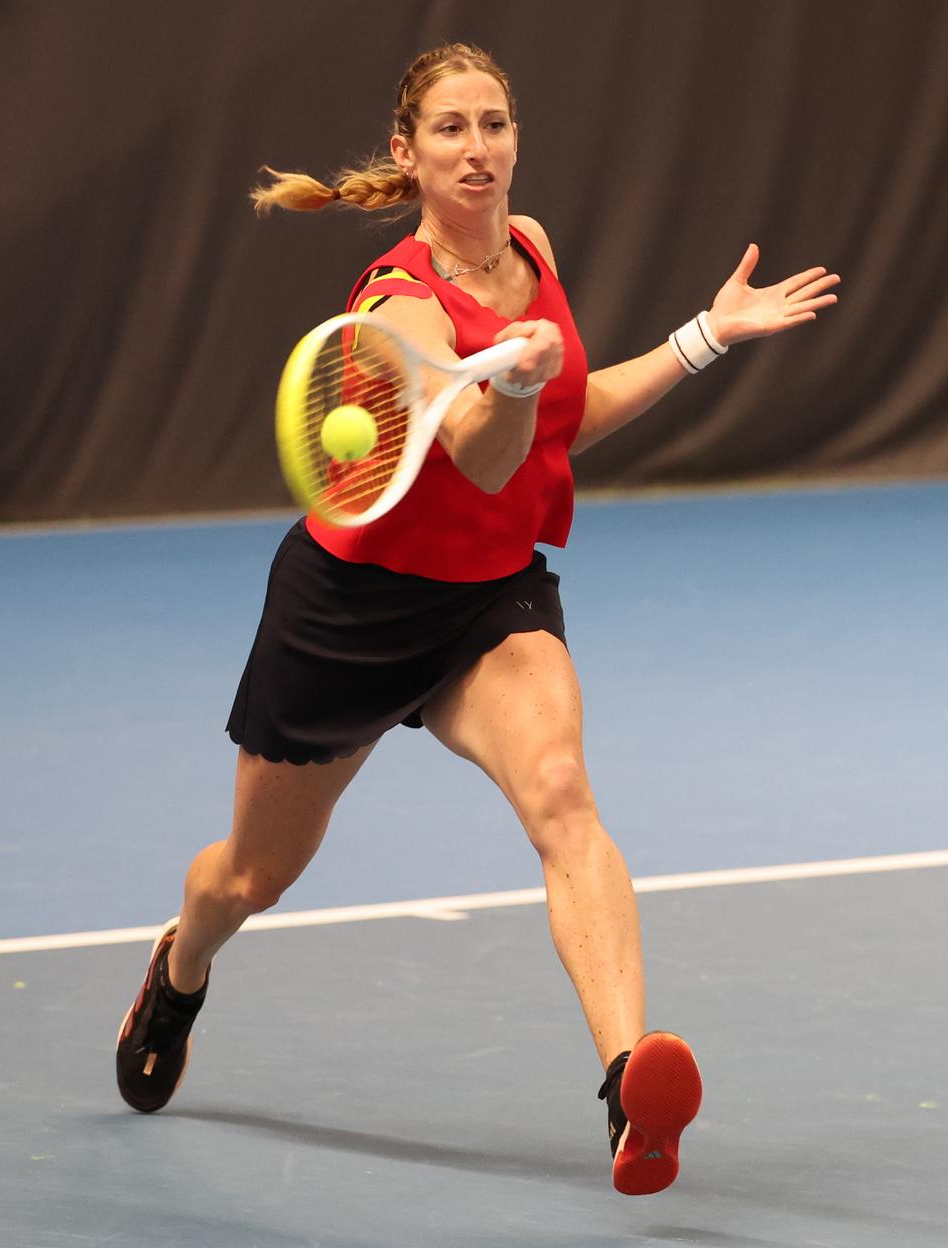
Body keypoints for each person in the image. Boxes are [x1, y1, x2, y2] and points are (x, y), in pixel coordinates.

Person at [113, 41, 840, 1197]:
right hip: (353, 610)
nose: (478, 149)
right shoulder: (400, 303)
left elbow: (561, 425)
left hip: (490, 600)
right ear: (408, 154)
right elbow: (487, 453)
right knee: (248, 879)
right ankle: (178, 971)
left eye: (494, 124)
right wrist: (503, 378)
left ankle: (626, 1091)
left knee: (562, 796)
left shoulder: (534, 248)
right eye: (450, 129)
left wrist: (704, 338)